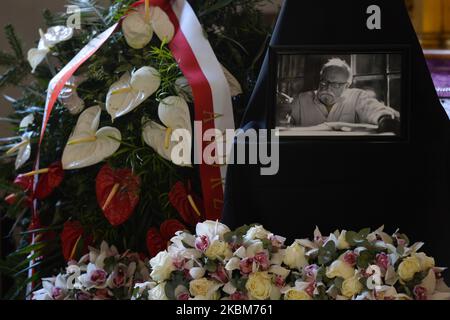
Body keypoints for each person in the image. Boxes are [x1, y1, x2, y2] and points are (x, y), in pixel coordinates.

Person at [288, 58, 400, 133]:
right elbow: (282, 122)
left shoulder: (357, 97)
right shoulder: (302, 100)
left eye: (335, 84)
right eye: (324, 82)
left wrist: (384, 119)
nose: (327, 88)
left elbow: (377, 111)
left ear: (346, 86)